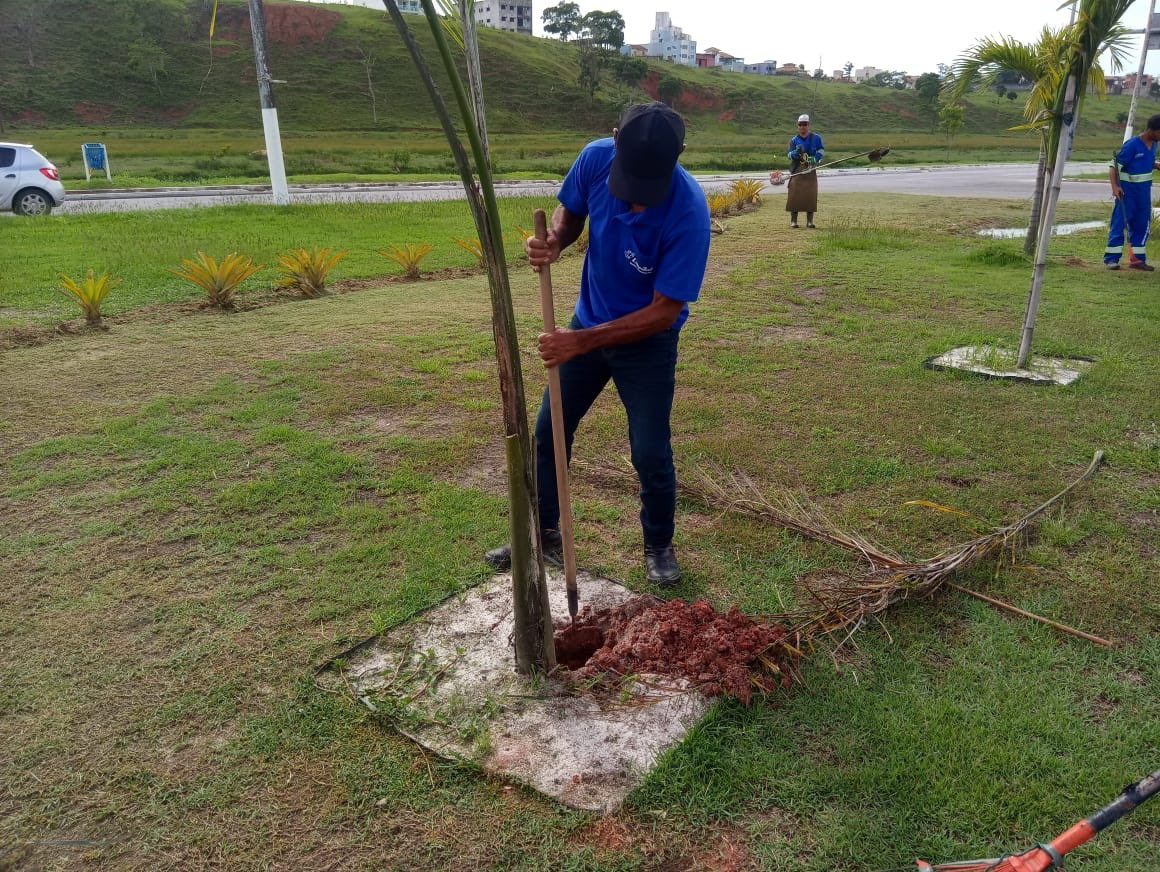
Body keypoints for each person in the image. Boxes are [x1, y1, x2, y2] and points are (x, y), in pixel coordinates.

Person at [484, 102, 711, 587]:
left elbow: (664, 310)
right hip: (585, 326)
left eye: (647, 192)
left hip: (646, 341)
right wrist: (555, 243)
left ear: (679, 157)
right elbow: (572, 216)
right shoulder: (594, 157)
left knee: (649, 450)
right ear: (614, 140)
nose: (636, 205)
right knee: (549, 432)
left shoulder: (690, 210)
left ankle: (658, 545)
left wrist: (581, 341)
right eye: (630, 189)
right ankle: (542, 535)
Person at [1103, 113, 1160, 271]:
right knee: (1119, 224)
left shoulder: (1154, 144)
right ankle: (1111, 259)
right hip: (1127, 194)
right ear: (1153, 130)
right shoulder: (1132, 145)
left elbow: (1144, 162)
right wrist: (1115, 187)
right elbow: (1114, 166)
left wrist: (1155, 165)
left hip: (1143, 195)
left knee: (1142, 225)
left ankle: (1137, 260)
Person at [785, 113, 825, 229]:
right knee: (794, 195)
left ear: (809, 125)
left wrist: (816, 157)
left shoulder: (816, 138)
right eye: (800, 124)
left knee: (810, 195)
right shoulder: (794, 140)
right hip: (797, 169)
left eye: (805, 124)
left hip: (811, 169)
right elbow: (788, 155)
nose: (802, 126)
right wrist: (794, 154)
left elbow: (821, 150)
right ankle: (793, 221)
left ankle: (809, 222)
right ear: (798, 126)